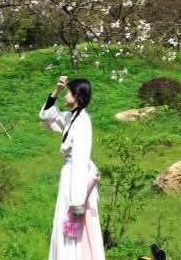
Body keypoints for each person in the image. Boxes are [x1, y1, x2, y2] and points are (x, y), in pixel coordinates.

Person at [39, 74, 105, 260]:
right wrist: (57, 91)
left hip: (77, 178)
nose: (66, 95)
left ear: (77, 95)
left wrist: (77, 200)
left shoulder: (82, 122)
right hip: (70, 175)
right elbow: (46, 116)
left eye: (68, 92)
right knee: (66, 222)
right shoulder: (71, 117)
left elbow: (80, 159)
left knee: (73, 222)